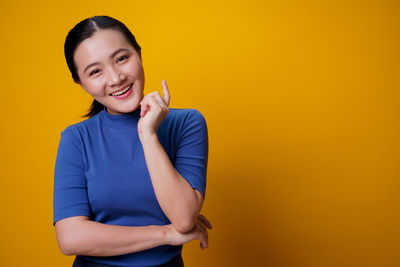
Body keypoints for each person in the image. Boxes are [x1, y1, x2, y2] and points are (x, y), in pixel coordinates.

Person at [53, 15, 212, 267]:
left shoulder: (187, 123)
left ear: (138, 53)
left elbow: (183, 218)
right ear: (81, 84)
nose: (116, 78)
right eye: (95, 71)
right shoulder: (76, 139)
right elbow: (71, 238)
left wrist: (148, 136)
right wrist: (165, 234)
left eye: (121, 58)